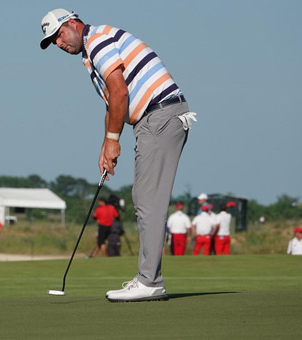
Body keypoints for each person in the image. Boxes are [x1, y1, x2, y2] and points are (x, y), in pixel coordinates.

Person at [40, 8, 196, 302]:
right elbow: (113, 102)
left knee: (148, 199)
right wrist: (106, 145)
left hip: (159, 114)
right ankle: (147, 278)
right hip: (155, 118)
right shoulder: (91, 52)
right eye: (53, 42)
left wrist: (114, 140)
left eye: (59, 35)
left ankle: (150, 282)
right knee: (144, 197)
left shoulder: (97, 40)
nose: (59, 44)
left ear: (72, 23)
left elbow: (120, 93)